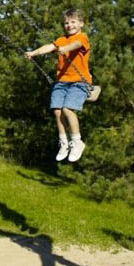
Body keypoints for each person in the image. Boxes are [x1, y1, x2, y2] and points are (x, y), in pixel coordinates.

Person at [24, 8, 92, 162]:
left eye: (73, 22)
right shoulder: (61, 40)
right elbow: (49, 47)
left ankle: (77, 141)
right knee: (57, 111)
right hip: (61, 82)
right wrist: (33, 53)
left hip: (79, 82)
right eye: (66, 23)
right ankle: (64, 142)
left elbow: (75, 45)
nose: (69, 25)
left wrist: (64, 49)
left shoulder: (83, 37)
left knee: (68, 109)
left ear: (81, 23)